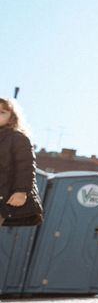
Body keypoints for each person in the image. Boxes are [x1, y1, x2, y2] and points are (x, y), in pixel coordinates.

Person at [0, 97, 43, 232]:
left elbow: (25, 167)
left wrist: (21, 192)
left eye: (2, 112)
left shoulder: (17, 138)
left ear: (12, 118)